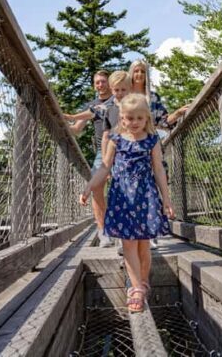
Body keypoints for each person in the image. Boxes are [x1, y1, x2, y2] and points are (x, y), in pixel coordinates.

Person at [79, 93, 175, 313]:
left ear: (146, 118)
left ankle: (143, 281)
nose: (134, 122)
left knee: (143, 244)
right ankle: (137, 287)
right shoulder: (116, 140)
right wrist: (89, 186)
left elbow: (159, 170)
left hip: (145, 196)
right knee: (129, 244)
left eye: (139, 118)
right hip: (122, 197)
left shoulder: (152, 140)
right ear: (122, 118)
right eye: (129, 118)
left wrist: (166, 199)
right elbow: (105, 167)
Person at [128, 59, 189, 248]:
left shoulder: (152, 98)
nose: (139, 74)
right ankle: (133, 234)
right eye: (136, 71)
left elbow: (164, 121)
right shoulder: (125, 97)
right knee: (132, 190)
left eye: (142, 71)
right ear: (131, 73)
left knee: (154, 188)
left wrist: (177, 113)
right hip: (131, 148)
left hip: (152, 146)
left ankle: (150, 231)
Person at [64, 71, 129, 247]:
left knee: (122, 187)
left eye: (103, 82)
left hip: (122, 147)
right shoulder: (92, 105)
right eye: (97, 82)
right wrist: (59, 120)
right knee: (96, 186)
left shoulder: (117, 98)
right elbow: (76, 129)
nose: (100, 85)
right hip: (103, 150)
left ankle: (123, 231)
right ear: (94, 85)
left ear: (110, 84)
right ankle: (103, 232)